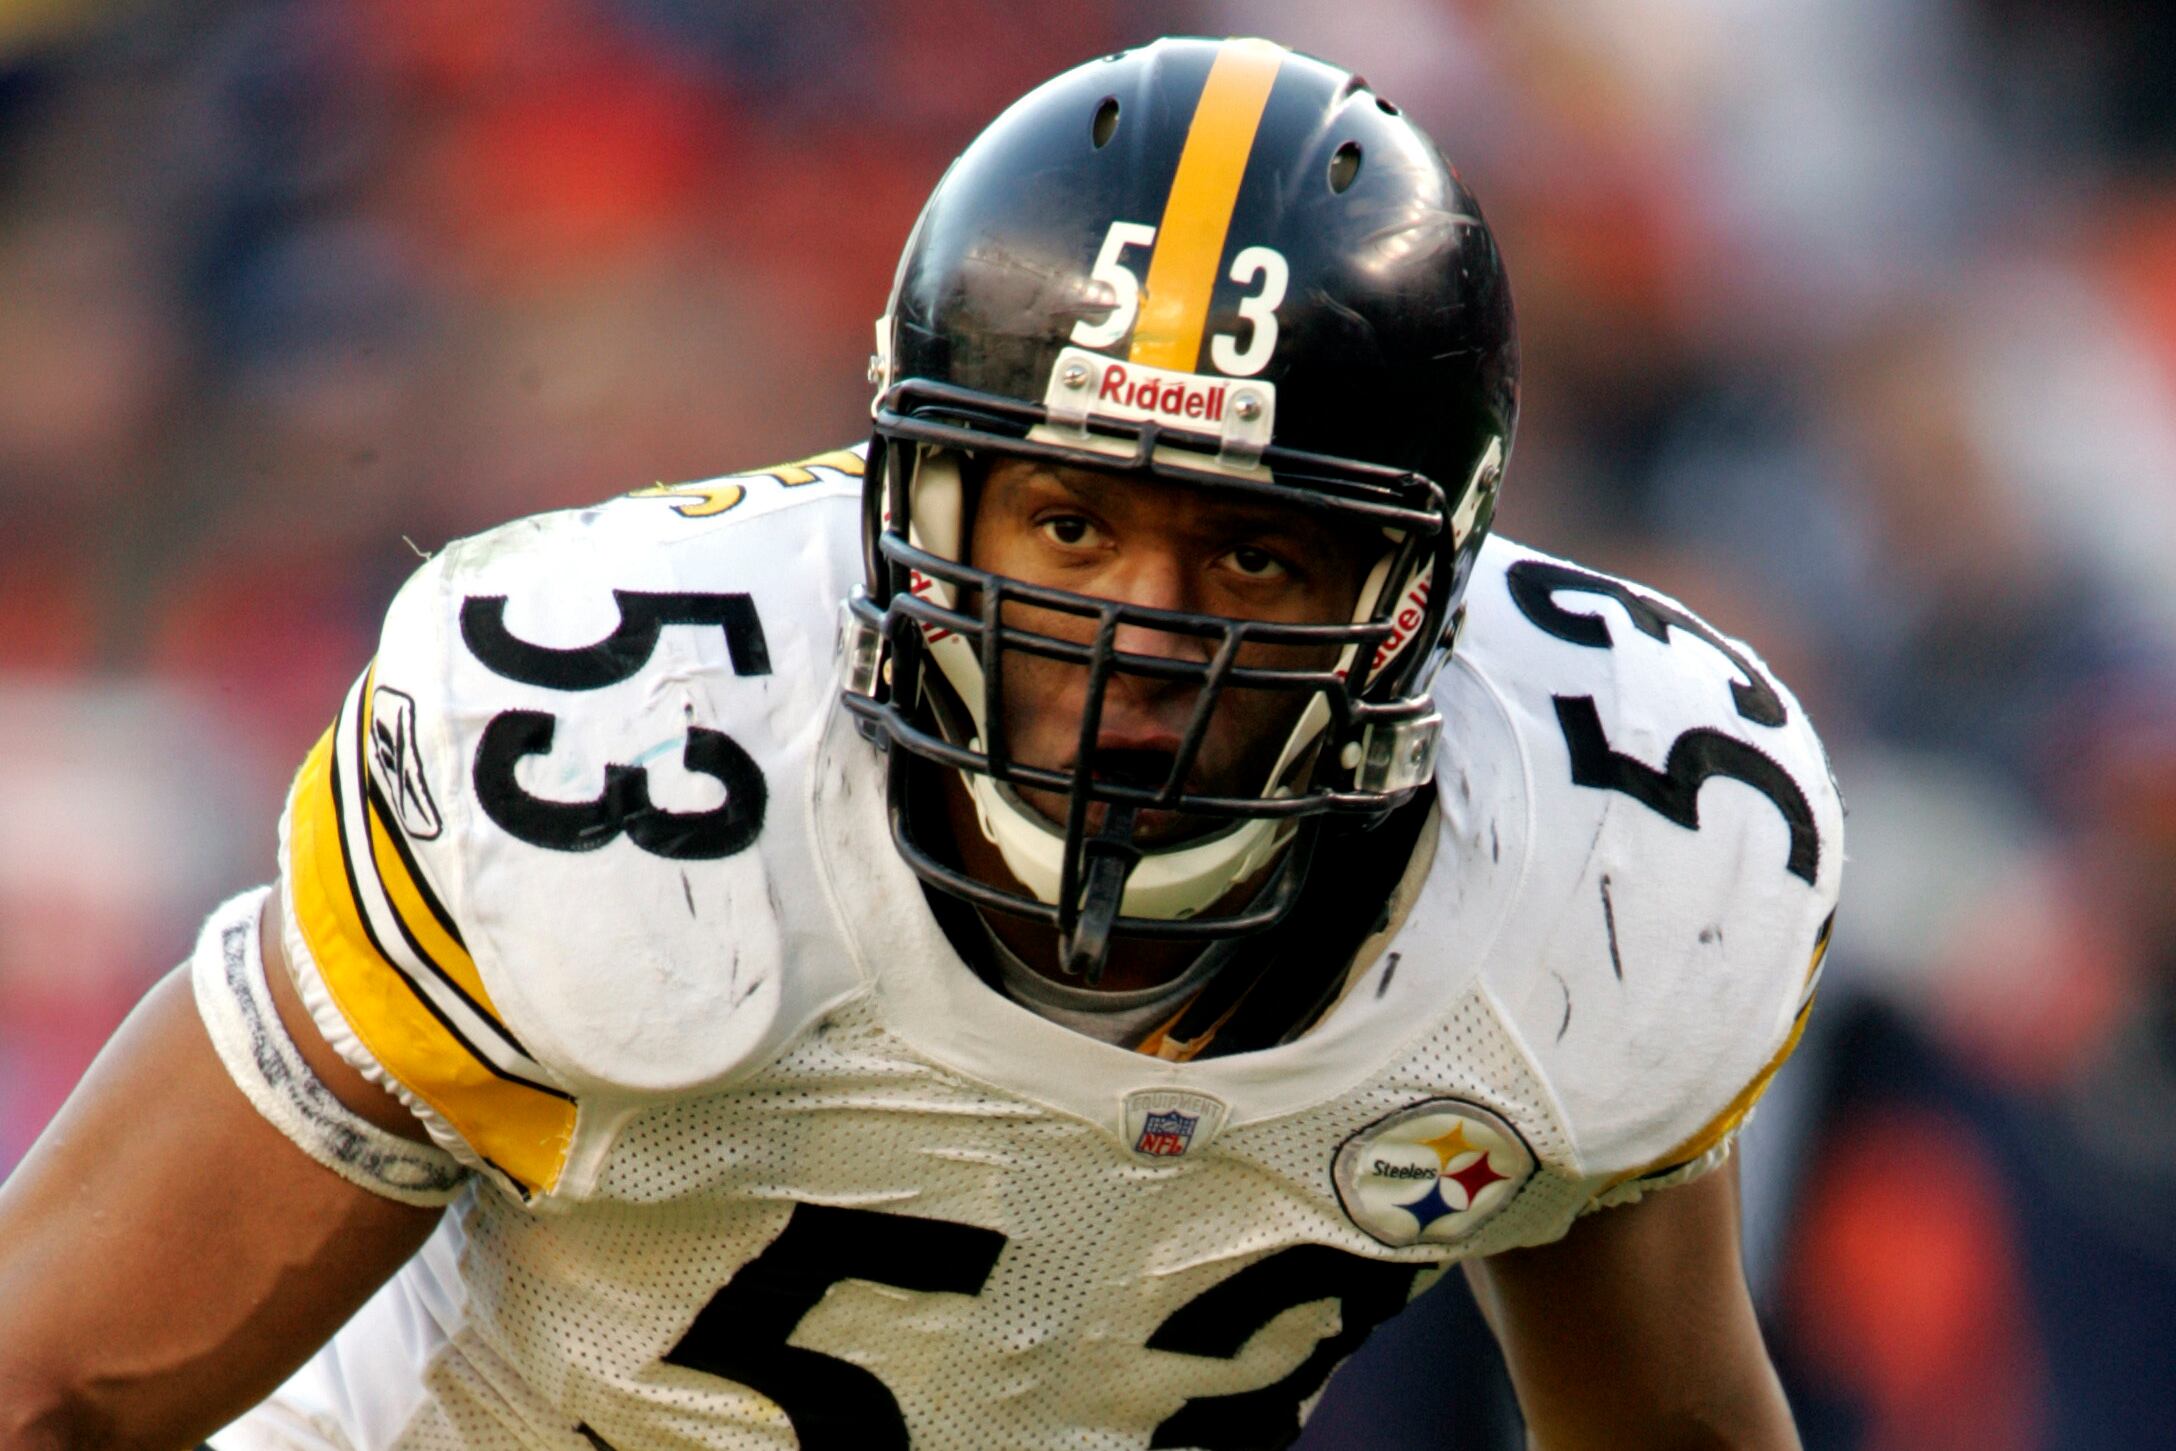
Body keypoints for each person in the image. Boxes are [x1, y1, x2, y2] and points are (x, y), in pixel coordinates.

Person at [0, 36, 1840, 1451]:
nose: (1141, 635)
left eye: (1254, 555)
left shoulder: (1613, 847)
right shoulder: (620, 749)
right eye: (1070, 526)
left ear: (1417, 588)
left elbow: (1672, 1427)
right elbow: (57, 1382)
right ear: (918, 499)